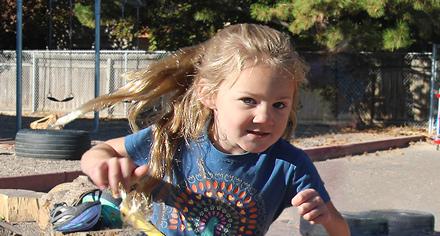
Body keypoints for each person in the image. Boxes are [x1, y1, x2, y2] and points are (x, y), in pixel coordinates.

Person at [79, 23, 350, 235]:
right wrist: (101, 164)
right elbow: (99, 151)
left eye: (279, 104)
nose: (265, 116)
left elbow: (341, 231)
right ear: (208, 95)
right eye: (248, 101)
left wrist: (323, 218)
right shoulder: (175, 139)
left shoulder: (290, 165)